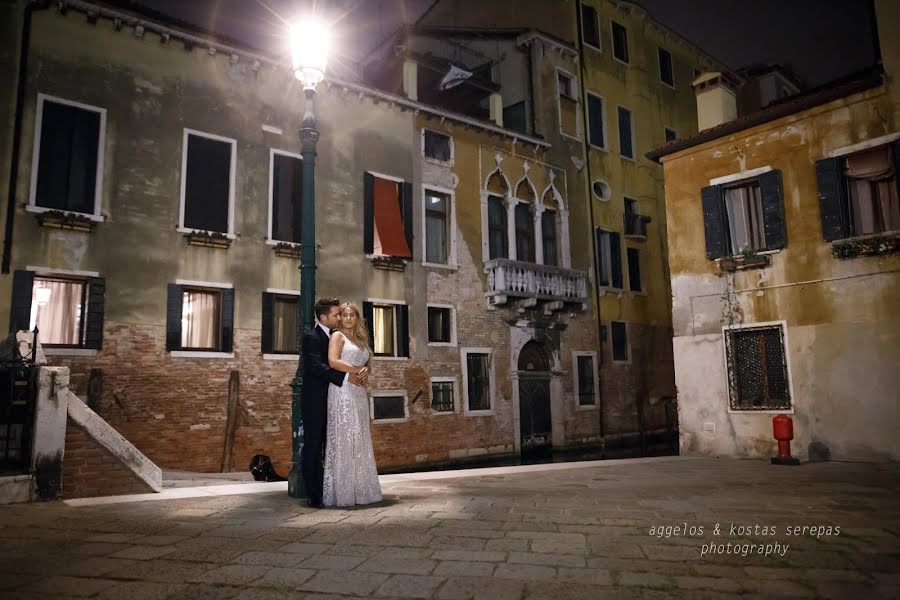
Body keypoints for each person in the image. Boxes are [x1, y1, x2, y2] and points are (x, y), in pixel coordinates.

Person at [300, 298, 367, 509]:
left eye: (343, 314)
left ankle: (336, 490)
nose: (340, 318)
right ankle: (314, 495)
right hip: (315, 400)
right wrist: (347, 378)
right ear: (323, 317)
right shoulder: (311, 336)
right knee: (313, 446)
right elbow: (317, 367)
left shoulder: (339, 335)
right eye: (336, 315)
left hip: (337, 398)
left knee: (334, 445)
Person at [322, 302, 383, 507]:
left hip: (358, 393)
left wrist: (366, 370)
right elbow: (333, 361)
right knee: (345, 438)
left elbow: (366, 365)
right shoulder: (337, 336)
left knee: (360, 437)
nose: (348, 318)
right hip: (342, 392)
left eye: (352, 315)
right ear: (340, 318)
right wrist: (358, 370)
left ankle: (363, 491)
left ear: (357, 318)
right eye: (345, 315)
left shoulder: (361, 339)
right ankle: (343, 494)